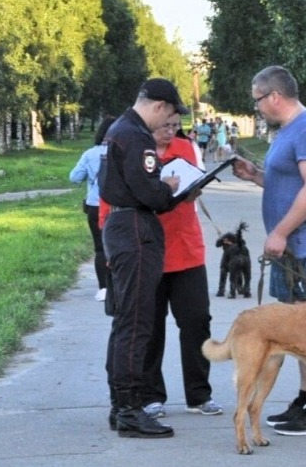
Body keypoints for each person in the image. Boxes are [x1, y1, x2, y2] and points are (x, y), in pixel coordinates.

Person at [232, 65, 306, 436]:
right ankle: (305, 400)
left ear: (274, 96)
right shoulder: (290, 131)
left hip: (305, 244)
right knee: (294, 329)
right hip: (290, 246)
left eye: (258, 99)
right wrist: (256, 176)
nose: (257, 107)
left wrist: (279, 232)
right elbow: (290, 182)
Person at [99, 78, 185, 439]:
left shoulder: (119, 128)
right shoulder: (136, 136)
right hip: (135, 227)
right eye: (169, 114)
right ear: (160, 106)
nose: (168, 122)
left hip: (122, 224)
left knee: (125, 321)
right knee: (137, 322)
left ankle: (121, 405)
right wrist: (169, 188)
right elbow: (149, 192)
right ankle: (131, 408)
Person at [140, 113, 223, 420]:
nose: (171, 132)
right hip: (148, 249)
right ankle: (150, 396)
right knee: (150, 325)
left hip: (187, 248)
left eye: (176, 126)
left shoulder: (185, 147)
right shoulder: (135, 149)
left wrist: (193, 188)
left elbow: (195, 185)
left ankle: (199, 394)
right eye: (165, 126)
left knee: (197, 320)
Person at [69, 116, 116, 302]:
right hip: (118, 206)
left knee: (100, 248)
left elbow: (74, 177)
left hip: (95, 206)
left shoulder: (90, 154)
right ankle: (119, 285)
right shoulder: (123, 151)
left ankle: (103, 288)